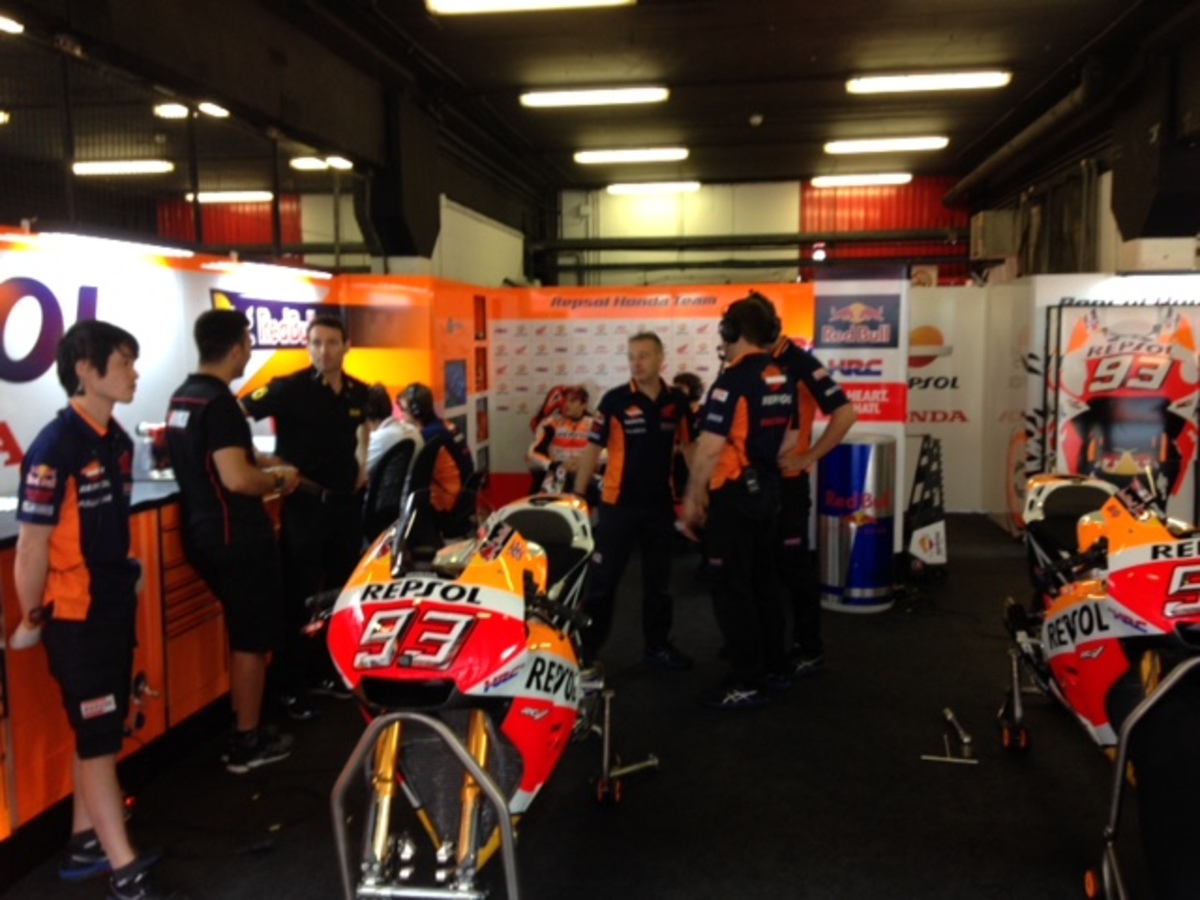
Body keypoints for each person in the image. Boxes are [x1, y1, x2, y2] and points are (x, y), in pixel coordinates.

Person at [8, 320, 187, 899]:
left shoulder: (115, 440)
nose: (135, 373)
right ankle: (125, 870)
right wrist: (31, 617)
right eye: (124, 362)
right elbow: (31, 546)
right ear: (86, 370)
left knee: (100, 733)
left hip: (111, 608)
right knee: (98, 740)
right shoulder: (54, 447)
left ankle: (86, 842)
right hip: (75, 618)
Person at [165, 309, 300, 773]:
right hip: (236, 536)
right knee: (251, 638)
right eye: (248, 343)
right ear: (238, 347)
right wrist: (278, 480)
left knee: (247, 632)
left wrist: (264, 461)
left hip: (201, 532)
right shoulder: (220, 404)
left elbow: (223, 457)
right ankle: (246, 739)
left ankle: (245, 724)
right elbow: (237, 478)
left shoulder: (184, 397)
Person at [241, 314, 369, 721]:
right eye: (315, 342)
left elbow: (363, 431)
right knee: (299, 598)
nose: (322, 350)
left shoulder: (358, 392)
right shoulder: (289, 388)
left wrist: (363, 463)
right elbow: (235, 414)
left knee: (340, 594)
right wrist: (264, 461)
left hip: (345, 506)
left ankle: (326, 672)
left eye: (331, 342)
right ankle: (290, 686)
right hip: (305, 505)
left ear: (346, 346)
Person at [681, 296, 797, 710]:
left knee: (731, 588)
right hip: (768, 492)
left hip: (732, 496)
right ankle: (776, 667)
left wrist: (693, 498)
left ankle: (748, 678)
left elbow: (710, 448)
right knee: (764, 583)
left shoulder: (731, 382)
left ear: (731, 332)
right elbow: (790, 439)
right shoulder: (781, 375)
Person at [573, 332, 694, 669]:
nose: (636, 363)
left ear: (660, 358)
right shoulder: (614, 400)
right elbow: (592, 450)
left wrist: (699, 492)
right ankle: (585, 654)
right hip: (618, 506)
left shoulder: (677, 402)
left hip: (659, 506)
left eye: (643, 355)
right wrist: (578, 496)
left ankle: (657, 647)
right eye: (631, 356)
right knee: (602, 584)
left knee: (659, 585)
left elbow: (690, 448)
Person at [758, 295, 857, 677]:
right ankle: (766, 643)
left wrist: (809, 456)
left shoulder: (799, 361)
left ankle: (809, 647)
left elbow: (845, 414)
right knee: (760, 566)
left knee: (794, 568)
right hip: (756, 482)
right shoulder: (751, 362)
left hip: (788, 483)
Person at [398, 382, 476, 533]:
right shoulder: (445, 426)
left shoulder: (428, 437)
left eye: (403, 410)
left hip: (446, 504)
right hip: (462, 500)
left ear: (416, 412)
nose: (401, 415)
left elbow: (409, 470)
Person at [526, 385, 593, 494]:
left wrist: (585, 462)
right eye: (565, 400)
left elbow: (608, 452)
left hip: (585, 473)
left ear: (584, 405)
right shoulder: (551, 423)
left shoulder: (594, 425)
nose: (566, 404)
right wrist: (553, 465)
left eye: (572, 401)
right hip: (557, 473)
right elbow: (533, 453)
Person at [364, 382, 423, 479]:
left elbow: (357, 475)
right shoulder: (413, 430)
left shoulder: (378, 439)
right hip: (412, 488)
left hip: (391, 489)